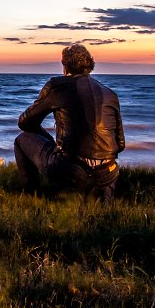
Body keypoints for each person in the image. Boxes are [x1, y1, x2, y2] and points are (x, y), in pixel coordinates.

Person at [14, 43, 125, 200]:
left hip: (74, 171)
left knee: (21, 140)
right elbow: (120, 145)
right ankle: (101, 192)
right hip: (109, 172)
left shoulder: (57, 86)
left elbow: (24, 123)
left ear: (65, 66)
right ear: (90, 65)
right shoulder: (110, 94)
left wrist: (49, 140)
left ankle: (33, 197)